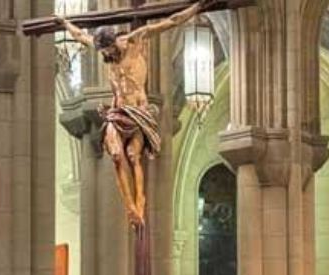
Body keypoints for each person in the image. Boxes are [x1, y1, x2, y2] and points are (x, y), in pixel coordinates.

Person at [54, 0, 211, 226]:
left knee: (132, 156)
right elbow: (80, 35)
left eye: (107, 50)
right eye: (103, 51)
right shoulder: (105, 52)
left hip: (138, 112)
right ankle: (130, 208)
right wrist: (63, 22)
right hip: (117, 111)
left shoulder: (135, 41)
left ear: (113, 42)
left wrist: (196, 8)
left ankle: (141, 201)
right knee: (117, 155)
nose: (106, 55)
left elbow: (171, 21)